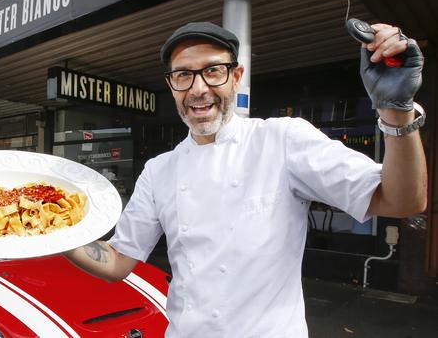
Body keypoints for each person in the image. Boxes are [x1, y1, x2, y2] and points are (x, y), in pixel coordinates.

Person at [64, 21, 427, 337]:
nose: (198, 88)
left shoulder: (282, 139)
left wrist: (397, 111)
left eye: (213, 71)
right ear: (172, 85)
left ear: (236, 77)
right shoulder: (160, 170)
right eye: (183, 75)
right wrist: (44, 232)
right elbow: (116, 262)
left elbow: (402, 200)